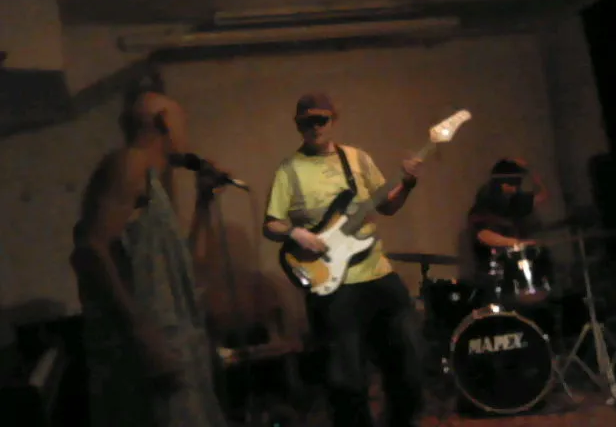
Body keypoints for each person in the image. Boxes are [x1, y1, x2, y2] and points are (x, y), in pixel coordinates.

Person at [69, 72, 228, 427]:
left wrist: (203, 202)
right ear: (165, 121)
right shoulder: (130, 163)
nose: (186, 135)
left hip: (178, 349)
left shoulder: (154, 186)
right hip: (151, 354)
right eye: (183, 123)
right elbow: (90, 250)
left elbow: (187, 269)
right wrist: (144, 335)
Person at [263, 93, 424, 427]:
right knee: (346, 380)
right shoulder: (289, 169)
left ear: (333, 120)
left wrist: (408, 184)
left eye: (321, 120)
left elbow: (387, 205)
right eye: (307, 122)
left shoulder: (357, 159)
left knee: (408, 363)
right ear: (297, 125)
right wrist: (296, 233)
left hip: (378, 273)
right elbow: (271, 224)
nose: (315, 127)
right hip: (333, 285)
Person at [467, 158, 551, 303]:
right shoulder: (485, 205)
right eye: (512, 183)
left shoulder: (515, 202)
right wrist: (516, 243)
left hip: (515, 272)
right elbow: (483, 235)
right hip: (495, 275)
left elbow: (543, 195)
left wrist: (530, 170)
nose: (515, 188)